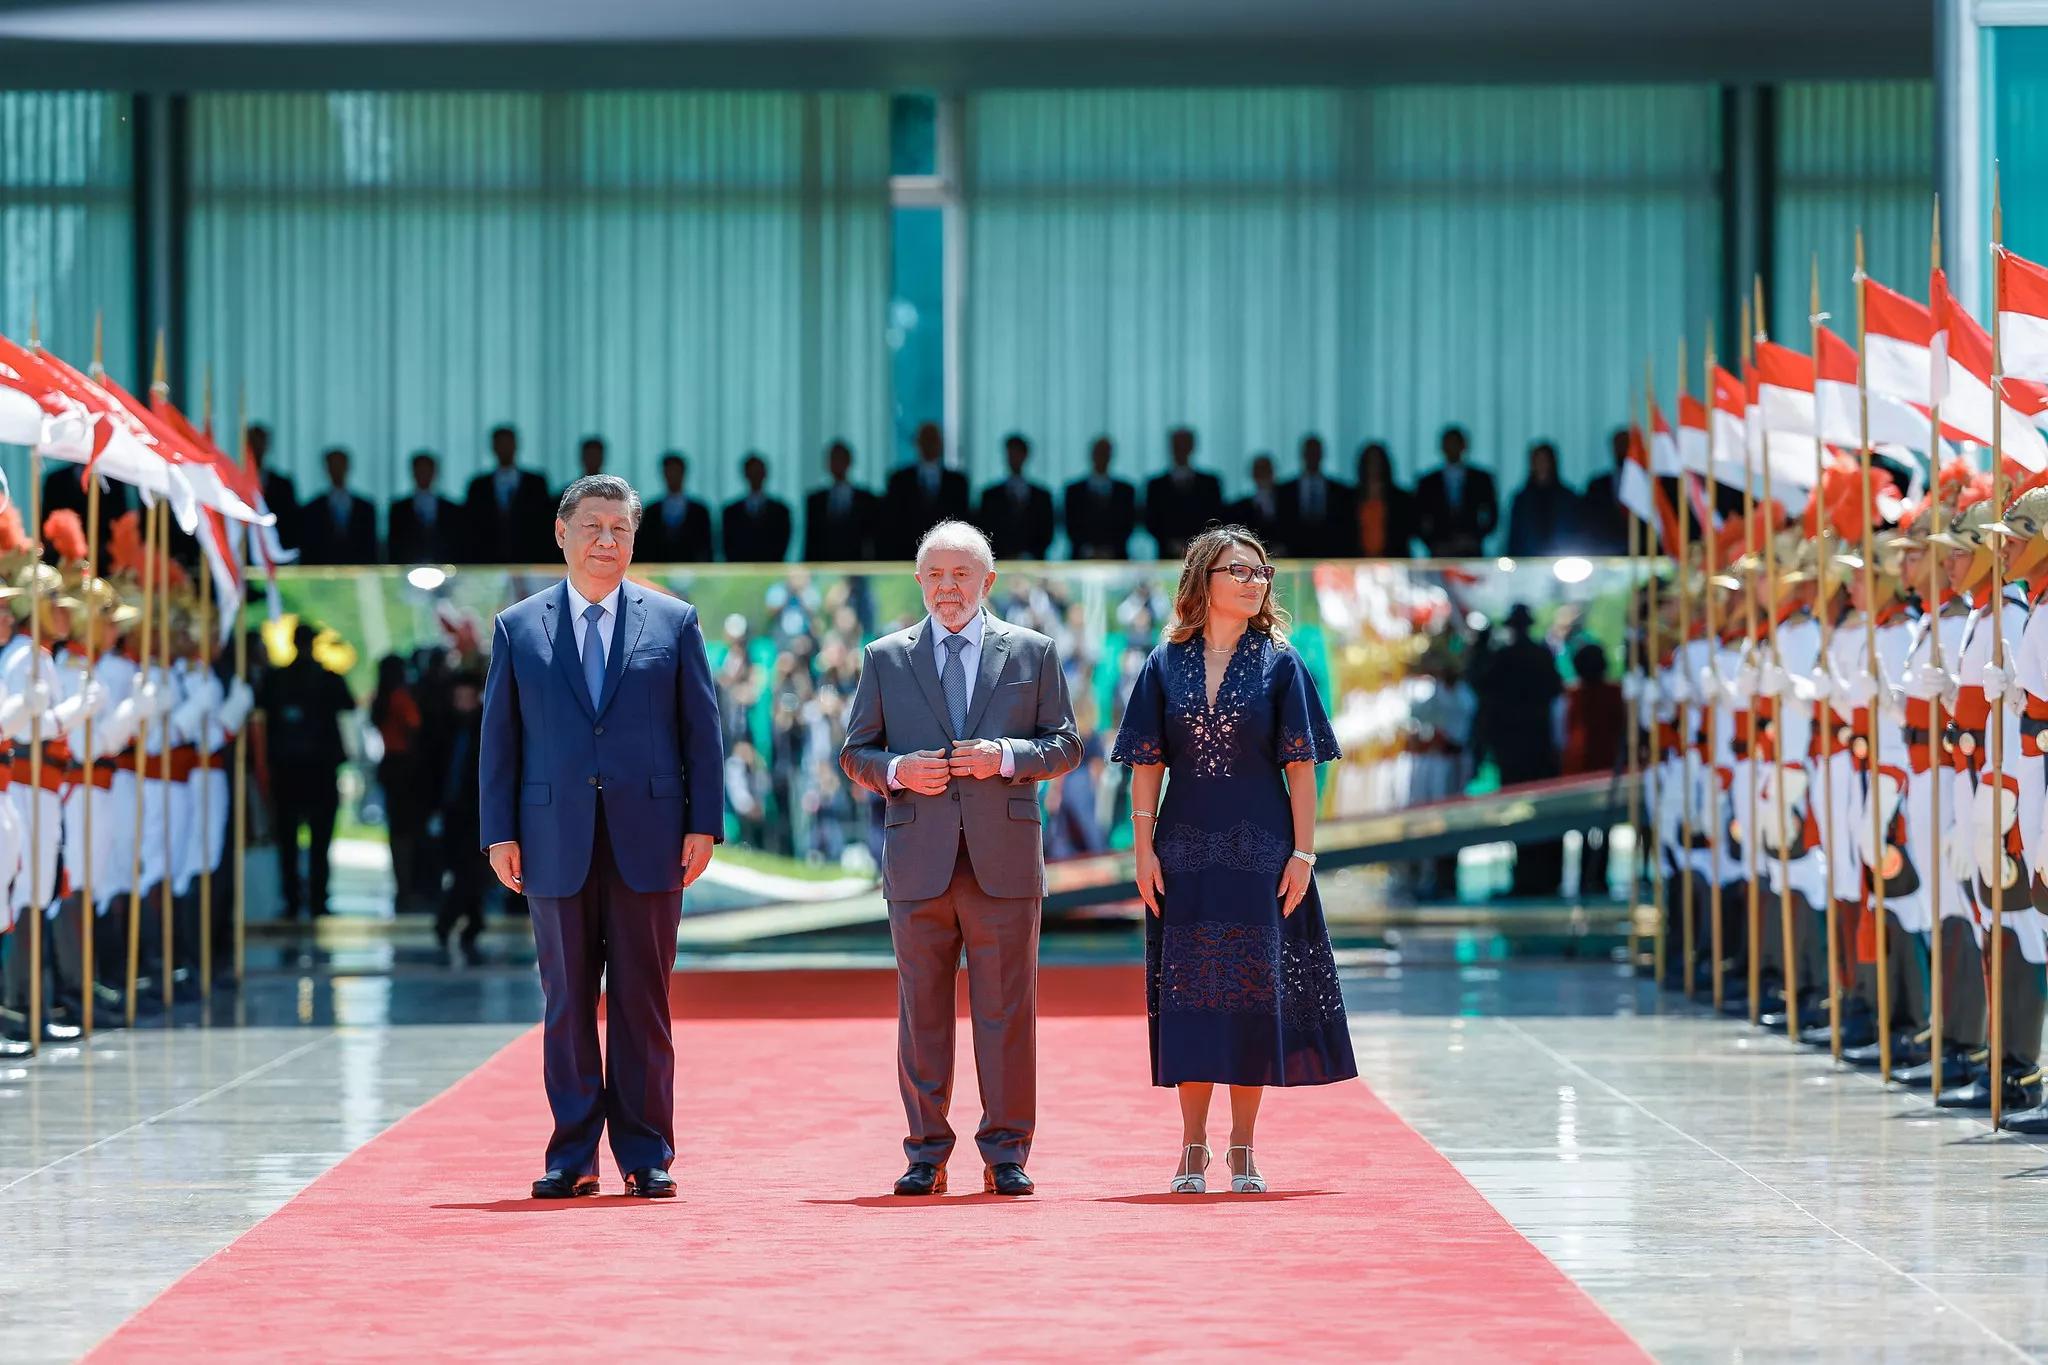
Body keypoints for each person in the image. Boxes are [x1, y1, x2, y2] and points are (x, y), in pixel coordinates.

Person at [481, 473, 725, 1199]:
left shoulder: (674, 621)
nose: (606, 541)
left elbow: (701, 731)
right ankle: (574, 1154)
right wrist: (499, 833)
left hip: (651, 839)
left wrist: (704, 822)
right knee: (566, 1001)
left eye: (620, 529)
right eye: (592, 526)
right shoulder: (518, 627)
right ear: (562, 533)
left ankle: (646, 1152)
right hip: (553, 839)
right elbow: (500, 740)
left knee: (642, 1001)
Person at [839, 520, 1081, 1197]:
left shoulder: (1033, 652)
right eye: (936, 575)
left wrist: (1006, 756)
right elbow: (855, 753)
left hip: (1003, 862)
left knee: (1008, 1015)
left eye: (962, 574)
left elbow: (1066, 745)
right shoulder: (885, 657)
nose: (948, 587)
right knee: (921, 1016)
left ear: (988, 581)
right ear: (919, 581)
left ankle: (1006, 1153)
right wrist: (898, 771)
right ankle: (926, 1153)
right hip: (918, 863)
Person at [1111, 526, 1355, 1195]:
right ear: (1204, 580)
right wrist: (1142, 850)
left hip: (1262, 852)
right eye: (1239, 571)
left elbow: (1302, 767)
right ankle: (1192, 1144)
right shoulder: (1164, 662)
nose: (1254, 582)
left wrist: (1303, 852)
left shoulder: (1282, 662)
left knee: (1252, 994)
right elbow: (1145, 765)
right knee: (1190, 996)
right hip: (1183, 851)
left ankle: (1242, 1145)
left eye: (1261, 572)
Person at [256, 621, 356, 919]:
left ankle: (300, 898)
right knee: (308, 840)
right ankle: (311, 898)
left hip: (302, 769)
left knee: (297, 840)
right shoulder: (298, 678)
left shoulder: (285, 678)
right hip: (305, 769)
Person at [1561, 642, 1624, 898]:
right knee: (1601, 826)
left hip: (1587, 766)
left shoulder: (1575, 695)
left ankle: (1589, 875)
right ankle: (1595, 876)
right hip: (1600, 765)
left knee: (1588, 825)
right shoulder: (1610, 693)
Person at [436, 669, 488, 965]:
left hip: (476, 810)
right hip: (453, 809)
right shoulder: (446, 726)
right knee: (461, 868)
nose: (462, 703)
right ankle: (473, 921)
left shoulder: (485, 726)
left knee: (468, 869)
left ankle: (447, 921)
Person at [371, 655, 427, 911]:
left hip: (389, 764)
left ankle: (402, 884)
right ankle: (408, 885)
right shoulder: (400, 698)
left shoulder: (380, 698)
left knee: (397, 829)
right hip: (405, 766)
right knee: (408, 829)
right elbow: (415, 725)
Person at [463, 425, 554, 565]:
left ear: (516, 445)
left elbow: (543, 524)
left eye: (508, 443)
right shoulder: (478, 486)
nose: (504, 448)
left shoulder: (536, 483)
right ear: (493, 447)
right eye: (500, 444)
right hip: (487, 559)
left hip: (529, 558)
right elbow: (471, 527)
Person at [881, 422, 970, 560]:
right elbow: (892, 523)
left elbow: (962, 522)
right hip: (906, 556)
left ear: (941, 443)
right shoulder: (899, 480)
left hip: (947, 556)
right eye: (925, 440)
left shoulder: (957, 482)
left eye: (933, 440)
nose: (929, 444)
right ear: (917, 443)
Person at [1414, 425, 1498, 557]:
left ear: (1464, 446)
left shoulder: (1481, 479)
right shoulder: (1428, 482)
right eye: (1449, 443)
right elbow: (1418, 518)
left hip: (1471, 550)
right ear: (1442, 447)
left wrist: (1475, 538)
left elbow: (1492, 515)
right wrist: (1434, 543)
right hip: (1439, 552)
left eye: (1456, 443)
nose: (1452, 447)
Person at [1144, 427, 1224, 560]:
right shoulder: (1156, 485)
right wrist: (1170, 542)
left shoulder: (1210, 484)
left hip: (1203, 555)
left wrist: (1197, 544)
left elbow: (1216, 517)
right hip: (1166, 555)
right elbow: (1151, 519)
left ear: (1192, 447)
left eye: (1185, 444)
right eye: (1177, 445)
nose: (1181, 449)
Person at [977, 434, 1055, 561]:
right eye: (1011, 454)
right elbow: (985, 530)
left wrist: (1028, 554)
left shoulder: (1042, 496)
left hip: (1033, 563)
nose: (1014, 458)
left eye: (1018, 453)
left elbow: (1047, 532)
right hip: (1000, 561)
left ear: (1025, 456)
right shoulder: (990, 496)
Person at [1277, 435, 1356, 558]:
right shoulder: (1283, 492)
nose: (1312, 456)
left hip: (1332, 556)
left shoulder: (1341, 492)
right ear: (1303, 455)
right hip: (1295, 556)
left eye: (1315, 452)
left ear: (1322, 454)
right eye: (1309, 452)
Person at [297, 447, 379, 565]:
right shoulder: (311, 509)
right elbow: (308, 549)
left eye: (340, 465)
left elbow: (371, 549)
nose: (337, 469)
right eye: (333, 465)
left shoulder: (366, 508)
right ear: (326, 469)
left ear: (347, 467)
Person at [1064, 436, 1138, 560]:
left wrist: (1110, 550)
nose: (1102, 457)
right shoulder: (1073, 491)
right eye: (1098, 453)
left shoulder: (1125, 491)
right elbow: (1071, 526)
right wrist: (1088, 551)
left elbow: (1127, 525)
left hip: (1117, 559)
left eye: (1105, 453)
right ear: (1091, 455)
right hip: (1080, 559)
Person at [803, 440, 878, 561]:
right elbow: (811, 541)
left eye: (840, 459)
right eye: (832, 459)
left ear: (849, 461)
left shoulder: (867, 499)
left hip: (857, 565)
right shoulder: (815, 500)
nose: (837, 463)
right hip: (824, 564)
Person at [1506, 441, 1582, 558]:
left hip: (1562, 557)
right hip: (1528, 560)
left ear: (1552, 462)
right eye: (1537, 460)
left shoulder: (1568, 497)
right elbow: (1515, 538)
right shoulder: (1521, 499)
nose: (1541, 464)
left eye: (1544, 460)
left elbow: (1576, 533)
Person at [386, 451, 463, 564]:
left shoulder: (452, 509)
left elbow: (457, 545)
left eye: (427, 470)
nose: (424, 474)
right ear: (413, 472)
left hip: (445, 567)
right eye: (420, 470)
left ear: (435, 473)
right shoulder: (398, 509)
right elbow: (394, 547)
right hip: (408, 567)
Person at [638, 453, 714, 563]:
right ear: (664, 474)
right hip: (659, 567)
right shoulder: (651, 511)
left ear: (683, 473)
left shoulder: (700, 511)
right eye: (669, 471)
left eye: (676, 471)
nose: (673, 475)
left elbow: (706, 548)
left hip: (692, 568)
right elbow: (645, 547)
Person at [721, 453, 792, 562]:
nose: (755, 476)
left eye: (758, 472)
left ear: (765, 474)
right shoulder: (731, 512)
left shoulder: (781, 511)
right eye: (752, 472)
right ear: (745, 474)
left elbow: (782, 545)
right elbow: (728, 546)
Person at [247, 424, 302, 557]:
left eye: (260, 442)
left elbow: (292, 524)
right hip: (244, 555)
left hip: (276, 555)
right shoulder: (233, 482)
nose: (257, 447)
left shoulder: (283, 485)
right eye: (253, 443)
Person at [1578, 430, 1633, 556]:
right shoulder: (1597, 486)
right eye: (1618, 445)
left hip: (1642, 550)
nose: (1622, 449)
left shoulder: (1650, 486)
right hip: (1605, 552)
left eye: (1626, 444)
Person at [1226, 455, 1287, 555]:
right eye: (1259, 471)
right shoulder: (1239, 508)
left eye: (1266, 470)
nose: (1263, 474)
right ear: (1253, 474)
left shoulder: (1288, 503)